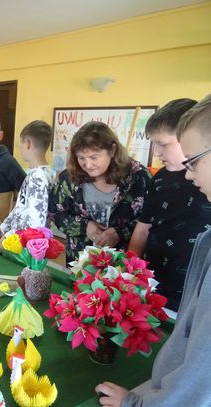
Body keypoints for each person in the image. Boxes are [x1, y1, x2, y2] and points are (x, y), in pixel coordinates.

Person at [96, 95, 211, 407]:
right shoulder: (160, 180)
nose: (188, 172)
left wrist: (137, 403)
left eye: (194, 160)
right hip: (158, 289)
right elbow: (143, 228)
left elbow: (202, 373)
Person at [128, 99, 211, 311]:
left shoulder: (206, 181)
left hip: (189, 292)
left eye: (163, 144)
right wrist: (130, 272)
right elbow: (143, 228)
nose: (156, 152)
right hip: (152, 281)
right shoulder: (159, 178)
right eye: (153, 143)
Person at [49, 121, 151, 263]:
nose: (87, 165)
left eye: (94, 157)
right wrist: (85, 227)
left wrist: (119, 232)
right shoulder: (69, 177)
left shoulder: (139, 178)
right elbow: (55, 212)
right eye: (81, 158)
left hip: (123, 265)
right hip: (80, 262)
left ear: (112, 150)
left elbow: (150, 220)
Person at [0, 120, 55, 253]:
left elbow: (34, 224)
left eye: (21, 144)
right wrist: (2, 229)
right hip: (20, 241)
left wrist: (9, 236)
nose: (20, 148)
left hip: (25, 247)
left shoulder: (37, 177)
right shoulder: (46, 173)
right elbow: (20, 209)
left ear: (27, 143)